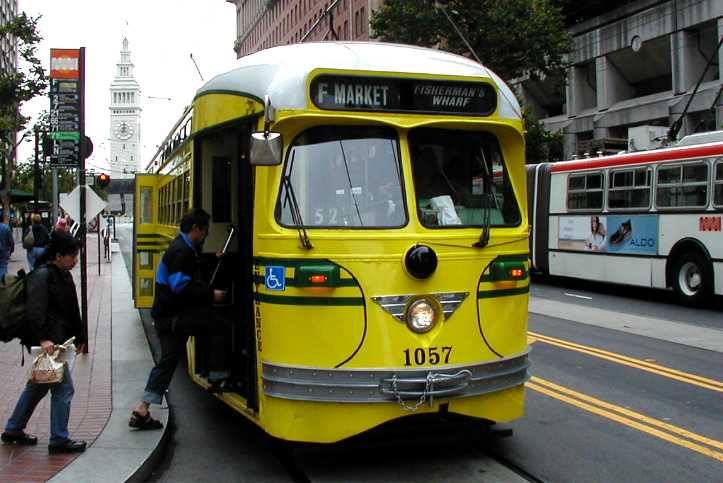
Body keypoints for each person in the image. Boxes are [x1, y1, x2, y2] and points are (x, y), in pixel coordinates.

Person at [129, 209, 228, 430]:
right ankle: (216, 376)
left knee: (168, 361)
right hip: (175, 317)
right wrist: (211, 294)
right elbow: (180, 285)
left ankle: (143, 408)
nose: (206, 234)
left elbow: (189, 271)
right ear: (196, 229)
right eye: (205, 230)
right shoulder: (182, 251)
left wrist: (213, 259)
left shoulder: (182, 248)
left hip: (168, 316)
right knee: (218, 326)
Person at [1, 231, 88, 453]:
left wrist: (80, 336)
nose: (75, 260)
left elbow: (72, 310)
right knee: (64, 389)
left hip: (57, 340)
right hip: (47, 342)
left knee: (38, 386)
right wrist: (43, 338)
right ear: (58, 256)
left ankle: (13, 428)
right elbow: (35, 312)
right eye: (72, 256)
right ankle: (59, 439)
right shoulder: (42, 276)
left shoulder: (63, 275)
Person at [0, 214, 14, 283]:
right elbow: (10, 241)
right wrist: (11, 250)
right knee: (3, 267)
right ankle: (2, 283)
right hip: (4, 251)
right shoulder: (6, 227)